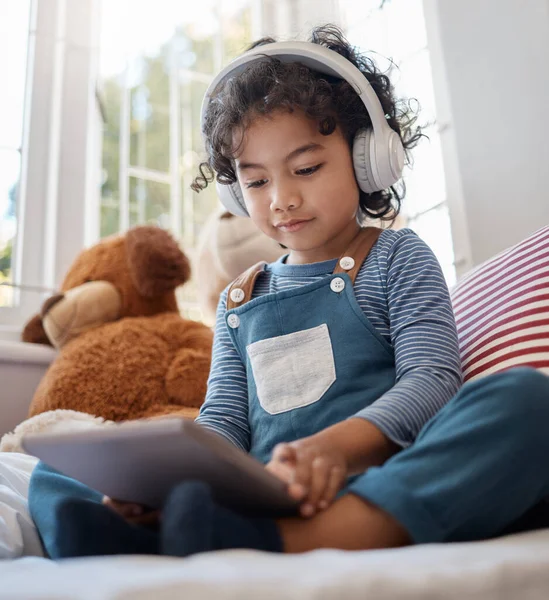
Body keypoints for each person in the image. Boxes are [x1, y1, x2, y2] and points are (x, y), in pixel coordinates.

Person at [29, 25, 549, 559]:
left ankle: (308, 538)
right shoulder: (239, 299)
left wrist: (335, 448)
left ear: (369, 157)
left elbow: (433, 380)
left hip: (374, 479)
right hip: (259, 491)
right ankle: (144, 529)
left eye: (306, 168)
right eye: (256, 182)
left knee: (529, 402)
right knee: (53, 465)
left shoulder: (398, 258)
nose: (282, 198)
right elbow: (225, 421)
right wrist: (161, 481)